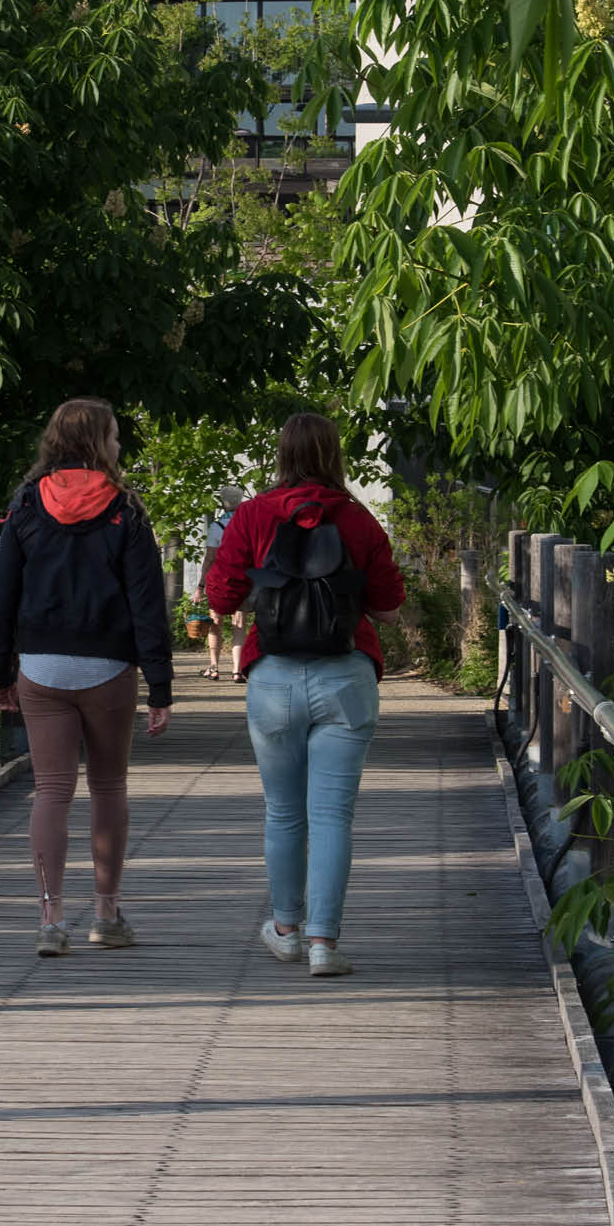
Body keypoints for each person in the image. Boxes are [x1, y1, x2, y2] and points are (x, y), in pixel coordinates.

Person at [205, 413, 405, 977]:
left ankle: (286, 929)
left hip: (272, 678)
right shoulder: (359, 519)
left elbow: (221, 595)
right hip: (345, 677)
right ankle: (324, 944)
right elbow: (389, 607)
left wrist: (266, 596)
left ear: (281, 455)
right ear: (334, 455)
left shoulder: (251, 515)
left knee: (283, 813)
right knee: (334, 816)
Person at [0, 397, 173, 957]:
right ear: (96, 443)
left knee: (52, 791)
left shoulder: (24, 506)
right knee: (108, 787)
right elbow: (146, 604)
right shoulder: (126, 510)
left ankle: (50, 921)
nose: (119, 446)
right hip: (109, 668)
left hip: (40, 667)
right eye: (114, 437)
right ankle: (106, 915)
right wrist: (159, 685)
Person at [194, 484, 248, 682]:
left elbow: (209, 558)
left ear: (223, 504)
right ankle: (237, 670)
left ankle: (214, 668)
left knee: (215, 623)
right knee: (239, 625)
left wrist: (200, 586)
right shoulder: (246, 524)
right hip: (242, 579)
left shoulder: (216, 527)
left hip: (219, 580)